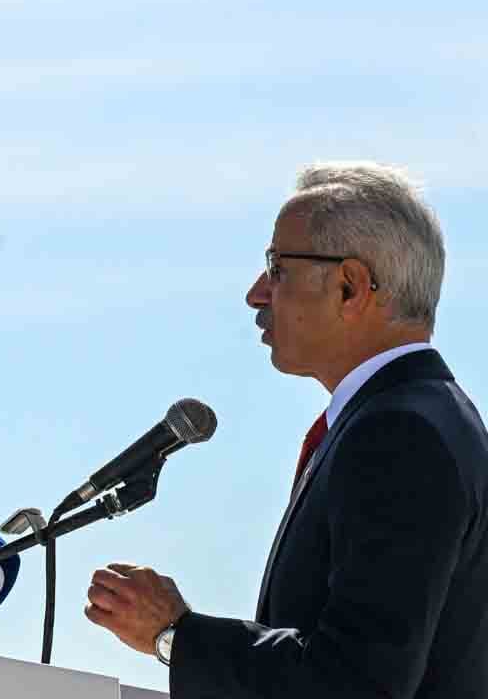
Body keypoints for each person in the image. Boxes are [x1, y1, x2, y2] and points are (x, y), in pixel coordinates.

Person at [83, 162, 488, 697]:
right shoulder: (422, 418)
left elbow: (357, 682)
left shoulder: (399, 434)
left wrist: (177, 636)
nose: (256, 293)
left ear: (350, 286)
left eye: (277, 268)